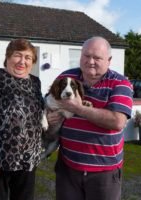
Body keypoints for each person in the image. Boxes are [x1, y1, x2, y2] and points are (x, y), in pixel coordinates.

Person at [46, 36, 133, 200]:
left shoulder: (120, 84)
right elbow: (48, 100)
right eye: (86, 56)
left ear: (109, 60)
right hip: (68, 168)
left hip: (103, 173)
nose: (90, 61)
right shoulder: (67, 76)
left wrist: (78, 109)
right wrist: (49, 115)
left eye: (97, 57)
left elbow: (117, 121)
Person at [0, 38, 44, 200]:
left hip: (28, 159)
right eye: (17, 55)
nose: (22, 61)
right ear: (8, 57)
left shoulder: (35, 82)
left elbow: (39, 112)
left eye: (27, 57)